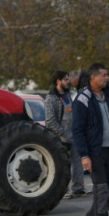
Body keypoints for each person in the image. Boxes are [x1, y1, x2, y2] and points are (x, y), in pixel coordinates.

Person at [73, 62, 109, 216]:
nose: (107, 78)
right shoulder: (83, 99)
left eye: (107, 75)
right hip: (95, 152)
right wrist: (84, 155)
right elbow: (78, 130)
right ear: (93, 78)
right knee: (101, 189)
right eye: (103, 75)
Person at [44, 70, 87, 199]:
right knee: (62, 165)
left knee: (78, 161)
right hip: (59, 138)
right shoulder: (50, 99)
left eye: (68, 79)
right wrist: (63, 135)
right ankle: (63, 190)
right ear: (58, 81)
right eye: (66, 79)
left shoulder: (68, 95)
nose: (69, 82)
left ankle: (78, 188)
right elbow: (50, 122)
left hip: (73, 135)